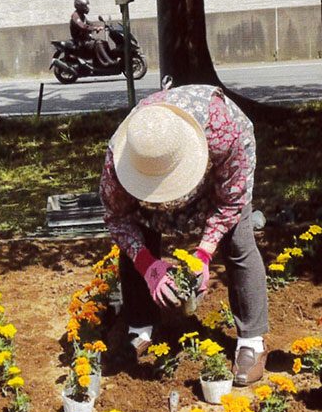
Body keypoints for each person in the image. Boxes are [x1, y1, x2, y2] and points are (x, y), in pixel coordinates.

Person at [100, 85, 270, 384]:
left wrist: (203, 253)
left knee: (238, 240)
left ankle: (252, 343)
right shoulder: (121, 157)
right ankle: (140, 326)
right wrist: (147, 266)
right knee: (139, 236)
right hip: (148, 181)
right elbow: (118, 217)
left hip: (219, 161)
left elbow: (230, 202)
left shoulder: (224, 132)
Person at [70, 0, 114, 68]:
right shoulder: (75, 16)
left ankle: (106, 62)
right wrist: (94, 28)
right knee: (98, 43)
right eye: (84, 6)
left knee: (104, 43)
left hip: (86, 40)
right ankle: (107, 62)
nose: (86, 8)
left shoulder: (82, 15)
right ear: (79, 6)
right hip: (80, 42)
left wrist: (101, 26)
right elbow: (82, 26)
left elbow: (89, 24)